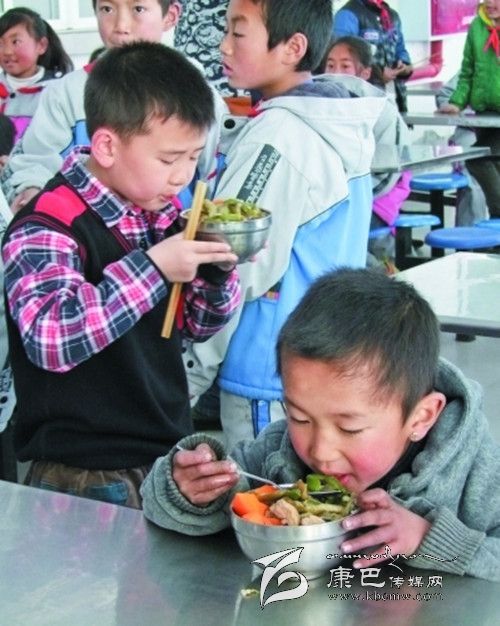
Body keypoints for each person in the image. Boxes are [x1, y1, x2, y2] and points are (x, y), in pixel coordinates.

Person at [141, 267, 500, 582]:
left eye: (349, 429)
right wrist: (188, 492)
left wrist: (430, 538)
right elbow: (163, 509)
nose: (320, 452)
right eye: (299, 417)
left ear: (421, 418)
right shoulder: (273, 455)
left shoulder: (476, 473)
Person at [1, 41, 240, 508]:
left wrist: (216, 273)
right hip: (82, 470)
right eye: (169, 159)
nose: (182, 176)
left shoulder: (160, 214)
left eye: (193, 157)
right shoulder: (47, 225)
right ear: (108, 146)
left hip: (164, 452)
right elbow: (51, 339)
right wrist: (154, 267)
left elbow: (197, 326)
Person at [182, 0, 396, 451]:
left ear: (293, 47)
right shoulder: (337, 118)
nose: (223, 46)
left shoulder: (279, 137)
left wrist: (187, 376)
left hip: (266, 366)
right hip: (319, 357)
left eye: (238, 33)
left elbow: (231, 269)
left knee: (265, 488)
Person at [0, 0, 226, 213]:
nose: (121, 26)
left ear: (170, 16)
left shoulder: (197, 90)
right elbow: (37, 162)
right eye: (107, 9)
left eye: (138, 9)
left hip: (176, 230)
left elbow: (215, 171)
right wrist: (31, 190)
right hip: (84, 233)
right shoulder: (67, 93)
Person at [321, 35, 411, 268]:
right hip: (338, 200)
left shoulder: (383, 111)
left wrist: (341, 199)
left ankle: (380, 275)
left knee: (341, 246)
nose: (336, 73)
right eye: (330, 65)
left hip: (377, 201)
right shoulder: (322, 108)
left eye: (345, 66)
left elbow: (387, 176)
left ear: (365, 73)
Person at [437, 0, 500, 217]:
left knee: (478, 159)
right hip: (485, 113)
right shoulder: (477, 27)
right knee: (493, 164)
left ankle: (498, 215)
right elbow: (467, 71)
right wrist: (457, 102)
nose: (490, 3)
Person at [0, 7, 73, 143]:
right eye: (0, 44)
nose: (7, 51)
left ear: (41, 45)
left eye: (15, 42)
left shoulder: (57, 92)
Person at [333, 0, 413, 113]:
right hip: (363, 101)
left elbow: (400, 49)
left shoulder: (392, 16)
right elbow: (339, 55)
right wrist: (378, 73)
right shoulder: (347, 14)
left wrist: (404, 64)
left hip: (396, 100)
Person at [435, 73, 488, 226]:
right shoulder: (477, 66)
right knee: (473, 183)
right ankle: (471, 237)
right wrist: (464, 110)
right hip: (471, 133)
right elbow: (445, 95)